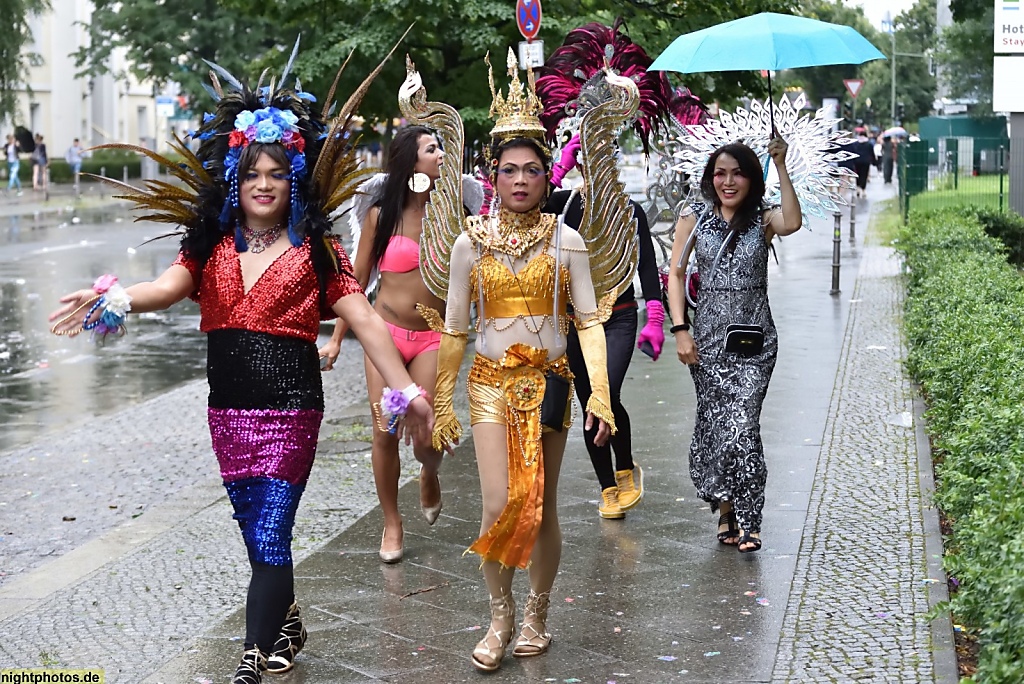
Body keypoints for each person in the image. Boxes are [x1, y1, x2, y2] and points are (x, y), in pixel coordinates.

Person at [48, 56, 432, 684]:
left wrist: (407, 389)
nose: (263, 184)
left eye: (276, 174)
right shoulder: (210, 243)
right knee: (259, 538)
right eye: (252, 173)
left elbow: (363, 320)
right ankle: (286, 622)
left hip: (292, 408)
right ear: (235, 177)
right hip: (227, 411)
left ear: (293, 179)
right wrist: (115, 297)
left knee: (273, 533)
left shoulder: (316, 250)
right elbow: (168, 287)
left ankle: (250, 661)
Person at [421, 51, 618, 671]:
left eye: (533, 170)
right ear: (494, 175)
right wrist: (443, 399)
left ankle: (537, 609)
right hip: (488, 383)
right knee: (497, 503)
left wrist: (602, 394)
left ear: (546, 177)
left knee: (542, 504)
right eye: (510, 171)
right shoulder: (467, 242)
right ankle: (499, 612)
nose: (522, 180)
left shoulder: (568, 240)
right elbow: (455, 328)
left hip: (552, 383)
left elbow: (588, 321)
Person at [535, 19, 682, 519]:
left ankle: (625, 465)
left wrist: (657, 319)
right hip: (573, 321)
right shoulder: (565, 206)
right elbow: (523, 211)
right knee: (588, 398)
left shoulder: (630, 211)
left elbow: (647, 267)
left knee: (606, 392)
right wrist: (558, 165)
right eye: (586, 157)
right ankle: (608, 484)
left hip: (617, 316)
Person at [318, 125, 483, 563]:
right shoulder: (381, 215)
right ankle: (392, 522)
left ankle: (429, 472)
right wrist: (336, 339)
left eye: (443, 148)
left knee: (427, 435)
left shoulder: (456, 216)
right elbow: (353, 282)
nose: (442, 155)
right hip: (385, 335)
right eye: (432, 149)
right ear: (412, 160)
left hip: (433, 336)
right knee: (385, 431)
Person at [666, 138, 801, 553]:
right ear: (710, 178)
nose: (728, 181)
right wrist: (680, 330)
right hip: (705, 342)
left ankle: (750, 519)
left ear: (751, 178)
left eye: (737, 173)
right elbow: (674, 273)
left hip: (754, 342)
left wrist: (780, 165)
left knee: (743, 427)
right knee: (716, 427)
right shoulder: (694, 219)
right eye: (720, 173)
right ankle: (725, 507)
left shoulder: (763, 219)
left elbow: (793, 222)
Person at [851, 128, 876, 199]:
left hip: (857, 161)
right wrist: (874, 161)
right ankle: (863, 190)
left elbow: (853, 153)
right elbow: (872, 153)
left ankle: (858, 188)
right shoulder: (869, 144)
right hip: (866, 162)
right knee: (864, 175)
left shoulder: (855, 144)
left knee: (857, 175)